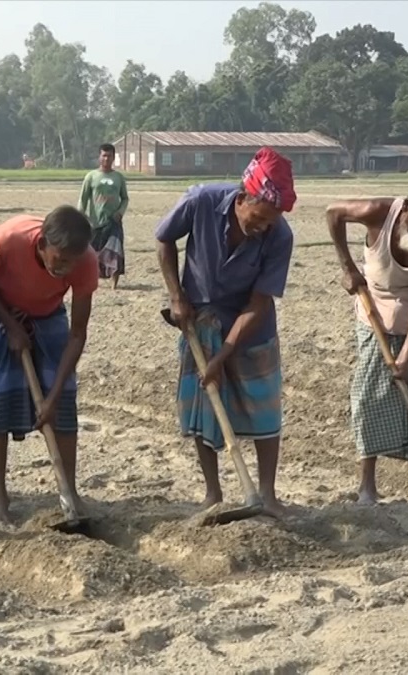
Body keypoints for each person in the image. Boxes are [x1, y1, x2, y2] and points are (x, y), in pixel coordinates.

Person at [155, 147, 297, 519]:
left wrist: (226, 353)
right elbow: (163, 240)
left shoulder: (279, 235)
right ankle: (212, 494)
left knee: (264, 409)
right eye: (259, 217)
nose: (263, 227)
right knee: (205, 404)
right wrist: (176, 295)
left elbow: (260, 301)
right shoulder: (200, 201)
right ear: (242, 198)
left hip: (251, 325)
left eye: (270, 221)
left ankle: (266, 494)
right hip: (199, 317)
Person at [326, 171, 408, 505]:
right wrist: (348, 267)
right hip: (375, 317)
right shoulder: (377, 212)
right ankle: (367, 486)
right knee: (369, 398)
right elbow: (333, 213)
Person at [0, 206, 98, 524]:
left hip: (48, 311)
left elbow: (78, 334)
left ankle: (69, 491)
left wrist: (51, 399)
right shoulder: (9, 239)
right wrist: (10, 325)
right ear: (41, 244)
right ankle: (0, 497)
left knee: (64, 398)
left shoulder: (86, 261)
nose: (65, 268)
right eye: (59, 260)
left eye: (71, 263)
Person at [78, 144, 130, 289]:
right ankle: (91, 279)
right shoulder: (91, 177)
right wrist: (82, 216)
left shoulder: (118, 177)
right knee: (92, 252)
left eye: (109, 156)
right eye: (104, 155)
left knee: (116, 251)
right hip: (95, 223)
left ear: (114, 157)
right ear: (99, 157)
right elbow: (83, 199)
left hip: (114, 222)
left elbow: (125, 198)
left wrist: (120, 212)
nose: (106, 158)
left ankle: (114, 284)